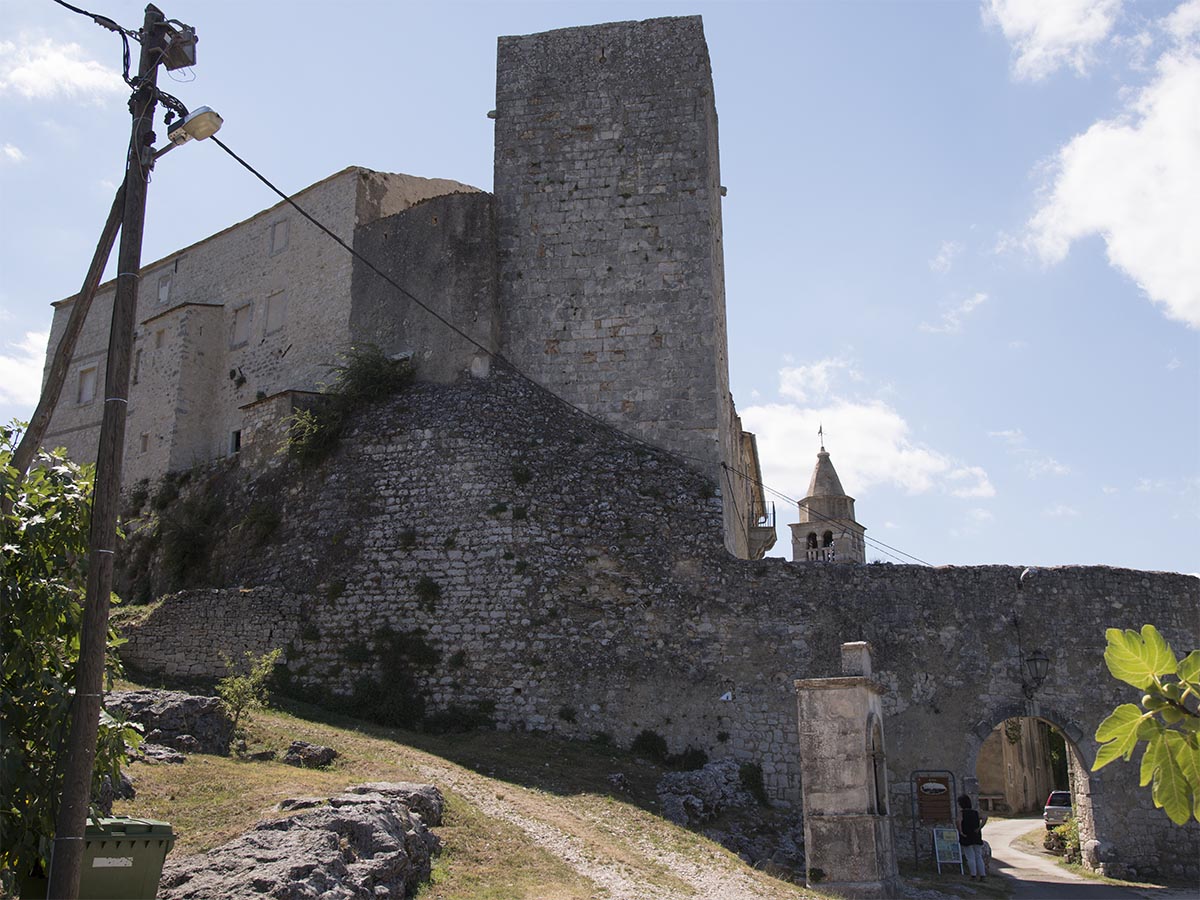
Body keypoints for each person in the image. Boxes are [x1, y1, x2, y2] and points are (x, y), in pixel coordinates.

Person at [958, 794, 986, 880]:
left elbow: (958, 822)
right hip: (976, 836)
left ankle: (973, 875)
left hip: (967, 836)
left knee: (970, 856)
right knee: (978, 855)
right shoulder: (975, 812)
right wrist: (979, 828)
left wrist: (961, 832)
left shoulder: (962, 813)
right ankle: (982, 875)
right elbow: (985, 817)